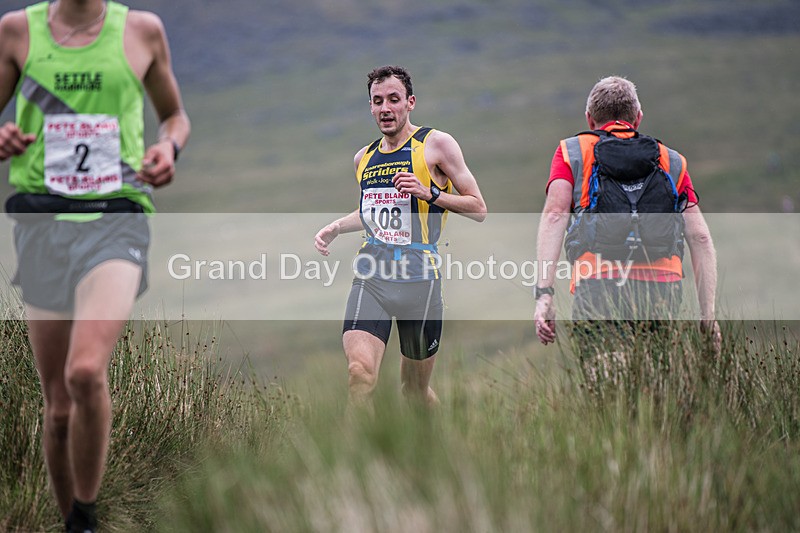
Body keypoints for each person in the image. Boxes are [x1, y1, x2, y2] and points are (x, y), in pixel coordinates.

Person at [0, 1, 190, 531]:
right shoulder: (17, 31)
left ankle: (85, 516)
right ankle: (71, 522)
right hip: (41, 224)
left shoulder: (142, 31)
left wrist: (168, 147)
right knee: (57, 407)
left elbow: (175, 116)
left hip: (117, 218)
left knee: (85, 371)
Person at [315, 65, 486, 409]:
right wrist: (336, 227)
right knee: (359, 375)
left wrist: (430, 194)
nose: (385, 108)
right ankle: (355, 460)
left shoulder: (435, 144)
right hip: (372, 278)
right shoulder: (363, 158)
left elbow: (478, 207)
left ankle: (444, 454)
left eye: (393, 99)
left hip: (420, 283)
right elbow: (371, 212)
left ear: (410, 103)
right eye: (377, 101)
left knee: (414, 392)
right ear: (370, 107)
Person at [533, 76, 721, 361]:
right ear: (638, 118)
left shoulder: (572, 151)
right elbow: (700, 237)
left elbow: (556, 215)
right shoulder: (671, 160)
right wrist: (708, 316)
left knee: (605, 380)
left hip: (598, 282)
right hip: (662, 286)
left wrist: (544, 294)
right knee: (656, 383)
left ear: (590, 119)